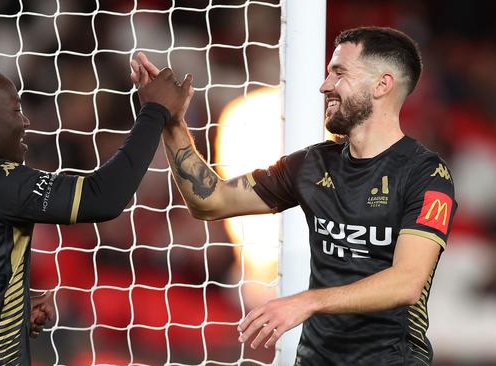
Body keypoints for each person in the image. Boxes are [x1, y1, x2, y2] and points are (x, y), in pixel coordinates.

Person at [131, 26, 457, 365]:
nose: (325, 85)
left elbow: (407, 282)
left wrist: (307, 301)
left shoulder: (426, 174)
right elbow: (210, 201)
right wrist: (171, 122)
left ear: (382, 85)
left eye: (339, 73)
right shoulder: (312, 165)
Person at [0, 52, 193, 365]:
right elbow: (102, 197)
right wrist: (155, 111)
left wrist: (6, 316)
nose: (24, 121)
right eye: (14, 110)